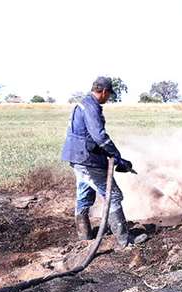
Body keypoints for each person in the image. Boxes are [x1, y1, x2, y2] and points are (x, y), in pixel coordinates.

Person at [60, 76, 147, 247]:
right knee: (113, 195)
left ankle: (84, 235)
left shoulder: (82, 103)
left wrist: (114, 159)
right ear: (104, 92)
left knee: (85, 192)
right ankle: (124, 240)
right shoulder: (92, 107)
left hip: (76, 157)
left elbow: (87, 136)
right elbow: (99, 137)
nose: (109, 98)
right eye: (109, 95)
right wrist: (116, 156)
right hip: (86, 159)